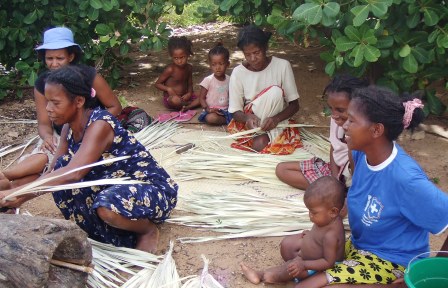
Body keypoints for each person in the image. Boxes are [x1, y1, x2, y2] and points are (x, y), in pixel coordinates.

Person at [0, 65, 178, 253]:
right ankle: (115, 232)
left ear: (78, 101)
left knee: (104, 205)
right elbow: (54, 173)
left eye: (55, 103)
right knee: (61, 169)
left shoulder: (99, 124)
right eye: (47, 102)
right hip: (112, 186)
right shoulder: (68, 128)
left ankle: (146, 230)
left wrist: (18, 193)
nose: (48, 109)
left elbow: (75, 173)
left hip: (150, 190)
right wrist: (17, 195)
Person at [293, 86, 448, 288]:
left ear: (376, 130)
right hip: (361, 247)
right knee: (291, 249)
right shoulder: (360, 153)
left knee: (309, 285)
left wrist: (430, 271)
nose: (344, 125)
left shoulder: (406, 180)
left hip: (393, 261)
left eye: (352, 121)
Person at [0, 27, 122, 190]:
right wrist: (48, 137)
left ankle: (8, 180)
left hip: (91, 131)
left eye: (60, 58)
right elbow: (44, 123)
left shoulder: (90, 76)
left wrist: (93, 127)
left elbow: (115, 106)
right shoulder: (43, 83)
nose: (54, 63)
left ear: (71, 56)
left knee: (52, 161)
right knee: (47, 152)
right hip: (62, 133)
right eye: (49, 58)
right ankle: (8, 183)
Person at [240, 176, 345, 285]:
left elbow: (328, 263)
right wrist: (310, 235)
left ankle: (265, 276)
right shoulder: (327, 219)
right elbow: (319, 237)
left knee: (290, 270)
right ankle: (266, 274)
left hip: (318, 268)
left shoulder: (331, 235)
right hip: (308, 260)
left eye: (313, 212)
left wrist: (304, 265)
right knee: (290, 264)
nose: (310, 216)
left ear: (333, 212)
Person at [275, 75, 369, 190]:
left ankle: (338, 192)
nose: (334, 115)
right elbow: (334, 148)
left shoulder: (364, 133)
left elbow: (362, 175)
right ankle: (334, 189)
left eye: (340, 110)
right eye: (331, 108)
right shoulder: (336, 120)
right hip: (338, 173)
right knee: (282, 169)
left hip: (357, 182)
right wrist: (335, 180)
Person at [227, 25, 300, 154]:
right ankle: (261, 134)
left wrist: (276, 119)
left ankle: (265, 135)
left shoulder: (282, 66)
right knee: (261, 144)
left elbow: (294, 105)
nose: (252, 59)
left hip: (277, 118)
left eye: (256, 52)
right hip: (251, 123)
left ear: (265, 48)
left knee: (275, 93)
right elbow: (235, 111)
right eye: (247, 55)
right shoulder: (238, 73)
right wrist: (247, 118)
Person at [154, 36, 199, 111]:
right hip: (171, 98)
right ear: (172, 57)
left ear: (188, 55)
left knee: (205, 93)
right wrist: (168, 89)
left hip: (185, 96)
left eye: (182, 57)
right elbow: (157, 84)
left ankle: (187, 104)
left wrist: (189, 93)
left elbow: (190, 83)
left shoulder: (189, 68)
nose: (179, 61)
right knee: (175, 100)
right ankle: (189, 104)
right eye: (176, 58)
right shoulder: (170, 69)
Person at [196, 43, 232, 125]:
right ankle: (226, 121)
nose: (218, 67)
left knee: (237, 115)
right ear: (210, 65)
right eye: (214, 64)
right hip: (211, 110)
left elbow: (231, 96)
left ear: (228, 64)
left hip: (226, 110)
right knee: (211, 118)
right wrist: (207, 109)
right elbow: (201, 98)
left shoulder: (230, 79)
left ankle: (227, 119)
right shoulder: (208, 80)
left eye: (221, 64)